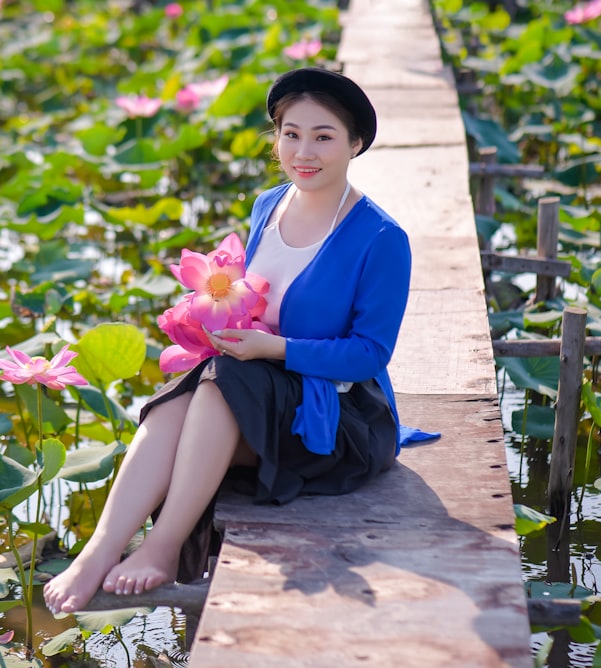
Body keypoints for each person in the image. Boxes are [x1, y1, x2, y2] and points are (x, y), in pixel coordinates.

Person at [43, 67, 412, 615]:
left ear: (355, 144)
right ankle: (100, 550)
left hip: (340, 414)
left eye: (323, 136)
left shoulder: (382, 238)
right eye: (291, 134)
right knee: (181, 398)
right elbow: (254, 297)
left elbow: (369, 354)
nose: (303, 151)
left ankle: (164, 548)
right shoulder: (268, 205)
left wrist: (276, 350)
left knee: (215, 388)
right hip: (260, 386)